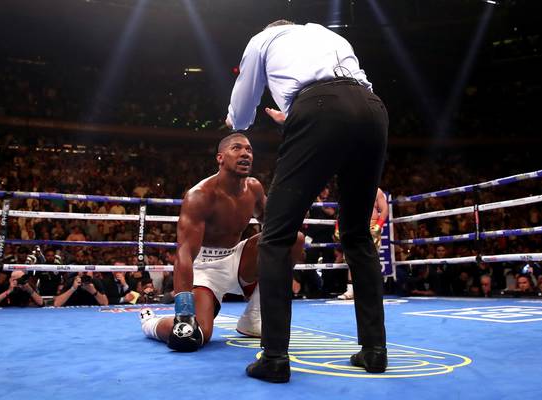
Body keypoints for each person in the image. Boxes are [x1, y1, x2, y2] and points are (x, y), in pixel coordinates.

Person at [226, 20, 389, 382]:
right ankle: (375, 350)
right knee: (357, 234)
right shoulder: (328, 34)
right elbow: (344, 101)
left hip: (318, 108)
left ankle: (274, 358)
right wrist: (296, 115)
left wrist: (234, 119)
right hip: (373, 109)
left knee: (276, 236)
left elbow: (243, 105)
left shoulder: (264, 37)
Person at [140, 133, 304, 352]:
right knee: (195, 334)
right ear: (220, 158)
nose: (245, 153)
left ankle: (253, 318)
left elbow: (273, 225)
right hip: (204, 268)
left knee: (291, 238)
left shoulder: (254, 188)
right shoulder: (200, 195)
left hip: (236, 258)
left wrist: (290, 207)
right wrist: (184, 310)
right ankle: (150, 323)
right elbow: (185, 253)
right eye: (237, 148)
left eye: (249, 149)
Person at [337, 187, 388, 300]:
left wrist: (378, 226)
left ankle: (372, 290)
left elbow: (384, 209)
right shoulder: (350, 190)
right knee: (351, 257)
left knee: (371, 258)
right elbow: (343, 210)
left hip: (371, 226)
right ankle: (351, 290)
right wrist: (338, 226)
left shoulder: (376, 190)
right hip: (353, 225)